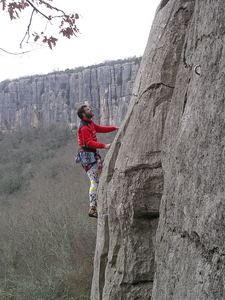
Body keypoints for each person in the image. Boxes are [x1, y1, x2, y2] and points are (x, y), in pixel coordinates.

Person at [76, 104, 119, 218]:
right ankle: (92, 209)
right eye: (88, 109)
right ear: (83, 114)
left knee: (99, 179)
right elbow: (89, 142)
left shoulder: (89, 124)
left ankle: (97, 205)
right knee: (94, 181)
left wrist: (114, 128)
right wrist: (105, 146)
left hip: (91, 155)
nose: (91, 109)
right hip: (87, 156)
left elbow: (99, 129)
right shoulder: (84, 127)